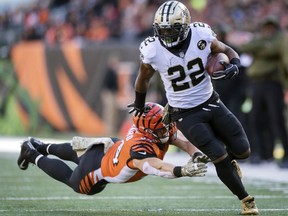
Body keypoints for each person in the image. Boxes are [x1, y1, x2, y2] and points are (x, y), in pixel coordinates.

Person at [127, 1, 258, 215]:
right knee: (217, 155)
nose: (167, 34)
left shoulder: (201, 34)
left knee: (243, 150)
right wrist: (139, 104)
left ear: (185, 26)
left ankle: (231, 162)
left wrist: (233, 63)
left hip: (211, 101)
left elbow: (225, 49)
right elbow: (143, 79)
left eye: (172, 29)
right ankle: (246, 199)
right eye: (163, 30)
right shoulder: (152, 49)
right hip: (184, 113)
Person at [17, 102, 209, 196]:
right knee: (76, 184)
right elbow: (155, 167)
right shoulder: (141, 147)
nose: (166, 128)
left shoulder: (154, 128)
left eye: (165, 123)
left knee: (77, 154)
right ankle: (31, 153)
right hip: (97, 167)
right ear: (149, 130)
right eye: (161, 126)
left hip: (108, 147)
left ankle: (41, 146)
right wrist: (181, 170)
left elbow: (182, 141)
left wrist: (197, 154)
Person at [239, 17, 288, 167]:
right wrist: (264, 45)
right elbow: (244, 47)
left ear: (275, 28)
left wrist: (261, 48)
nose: (268, 30)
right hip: (256, 84)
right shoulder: (260, 39)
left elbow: (275, 49)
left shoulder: (281, 39)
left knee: (276, 119)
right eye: (266, 27)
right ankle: (259, 153)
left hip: (273, 83)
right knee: (255, 119)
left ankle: (285, 155)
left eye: (271, 27)